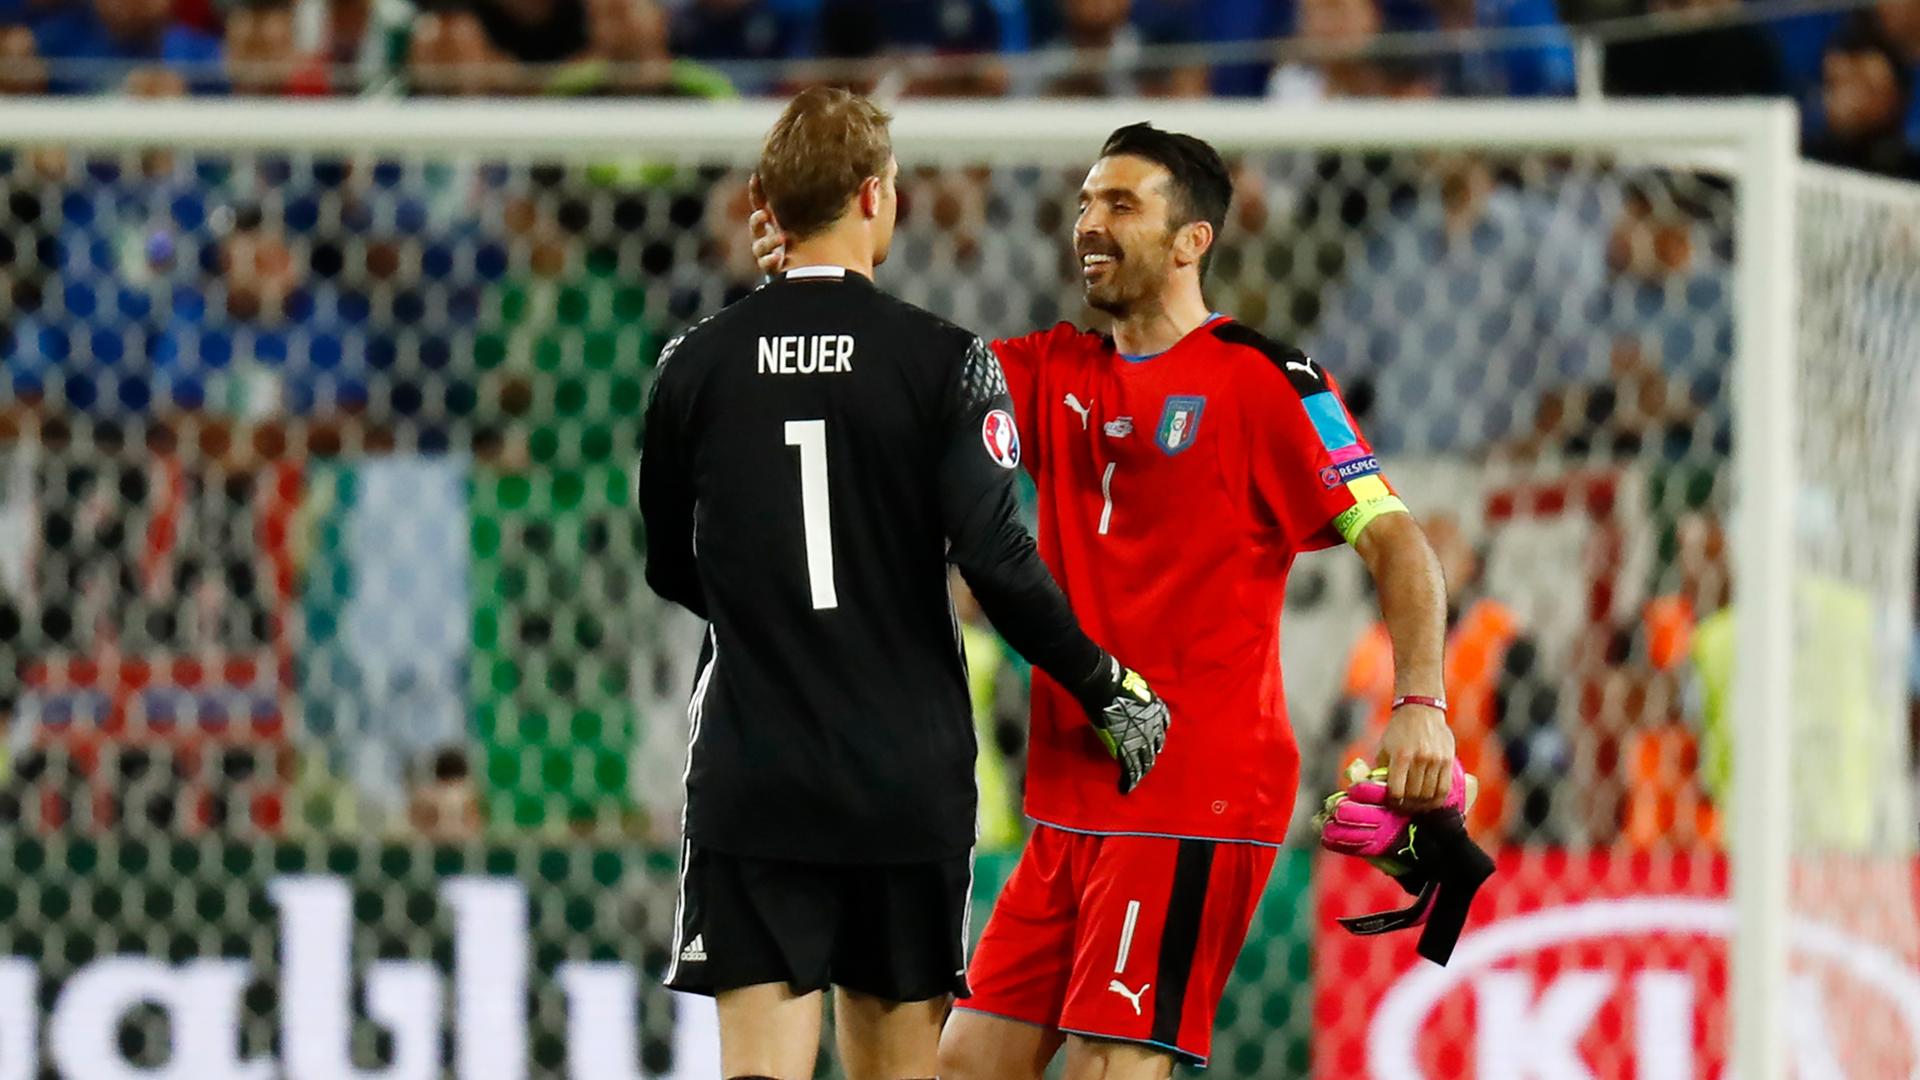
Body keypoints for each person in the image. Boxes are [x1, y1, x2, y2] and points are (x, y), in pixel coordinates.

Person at [749, 121, 1457, 1077]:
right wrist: (806, 293)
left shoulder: (1267, 382)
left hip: (1191, 792)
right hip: (1068, 805)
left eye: (1121, 204)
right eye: (1085, 202)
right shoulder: (1054, 372)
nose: (1090, 222)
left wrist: (1421, 705)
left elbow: (1398, 544)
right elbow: (896, 384)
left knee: (1107, 1068)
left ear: (1191, 239)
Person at [640, 88, 1170, 1080]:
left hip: (759, 768)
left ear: (766, 205)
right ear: (878, 199)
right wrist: (1108, 687)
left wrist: (775, 616)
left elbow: (671, 564)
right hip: (901, 771)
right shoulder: (945, 363)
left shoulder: (692, 365)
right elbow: (998, 562)